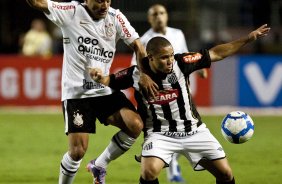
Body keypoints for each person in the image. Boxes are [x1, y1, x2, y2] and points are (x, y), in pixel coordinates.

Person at [89, 24, 270, 184]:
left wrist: (248, 38)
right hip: (160, 134)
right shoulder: (135, 74)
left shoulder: (182, 62)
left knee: (226, 174)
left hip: (194, 131)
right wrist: (99, 76)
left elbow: (216, 53)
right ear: (150, 57)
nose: (170, 61)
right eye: (164, 58)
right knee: (148, 172)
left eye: (171, 56)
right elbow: (109, 80)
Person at [26, 0, 157, 184]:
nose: (104, 5)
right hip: (76, 94)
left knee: (135, 125)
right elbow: (38, 3)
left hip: (103, 89)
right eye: (98, 1)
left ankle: (100, 165)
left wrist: (144, 74)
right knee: (77, 151)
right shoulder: (71, 12)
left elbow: (138, 46)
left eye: (107, 0)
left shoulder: (115, 17)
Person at [131, 4, 207, 183]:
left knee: (184, 124)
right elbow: (136, 67)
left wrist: (198, 69)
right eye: (155, 14)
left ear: (167, 16)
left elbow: (184, 55)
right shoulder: (144, 41)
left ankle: (176, 163)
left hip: (180, 88)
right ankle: (166, 164)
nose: (159, 16)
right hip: (158, 94)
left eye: (162, 13)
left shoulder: (177, 33)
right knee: (163, 129)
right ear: (149, 19)